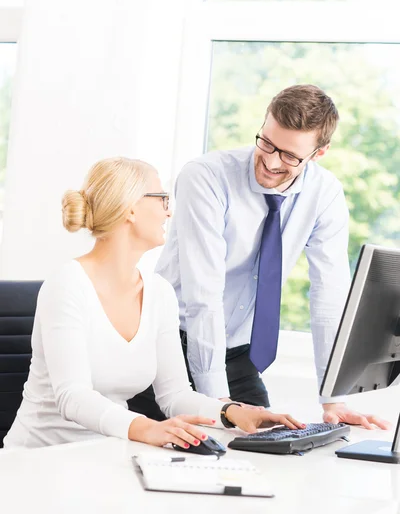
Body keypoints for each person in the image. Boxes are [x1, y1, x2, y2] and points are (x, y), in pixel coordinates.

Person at [3, 156, 304, 450]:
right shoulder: (67, 284)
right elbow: (73, 396)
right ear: (131, 209)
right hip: (39, 460)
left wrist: (233, 412)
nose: (168, 212)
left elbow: (174, 394)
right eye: (162, 198)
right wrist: (146, 427)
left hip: (105, 456)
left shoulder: (159, 292)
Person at [141, 84, 389, 431]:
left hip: (238, 353)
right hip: (168, 344)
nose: (271, 161)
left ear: (319, 153)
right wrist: (221, 407)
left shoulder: (324, 193)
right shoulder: (207, 177)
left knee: (266, 452)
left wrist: (333, 398)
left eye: (289, 155)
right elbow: (204, 295)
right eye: (267, 143)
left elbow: (328, 296)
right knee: (151, 454)